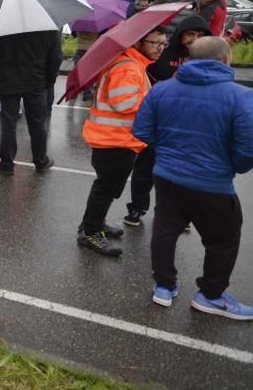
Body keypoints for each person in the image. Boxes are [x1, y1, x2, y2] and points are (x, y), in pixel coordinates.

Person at [132, 37, 253, 319]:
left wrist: (167, 153)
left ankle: (163, 286)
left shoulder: (162, 89)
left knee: (165, 230)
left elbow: (141, 130)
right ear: (225, 59)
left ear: (189, 59)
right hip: (212, 182)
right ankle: (211, 295)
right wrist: (230, 166)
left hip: (167, 176)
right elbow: (248, 148)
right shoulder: (241, 96)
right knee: (223, 239)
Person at [76, 27, 166, 256]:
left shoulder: (132, 63)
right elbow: (124, 103)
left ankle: (94, 222)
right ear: (139, 41)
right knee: (106, 188)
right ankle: (90, 233)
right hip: (114, 140)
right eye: (155, 43)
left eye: (163, 44)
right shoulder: (128, 67)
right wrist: (153, 100)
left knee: (106, 187)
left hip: (116, 139)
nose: (160, 48)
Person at [122, 16, 213, 227]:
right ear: (181, 33)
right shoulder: (162, 52)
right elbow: (142, 75)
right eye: (190, 34)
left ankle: (175, 213)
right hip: (158, 121)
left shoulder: (206, 58)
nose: (195, 39)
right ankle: (137, 207)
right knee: (145, 170)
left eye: (200, 35)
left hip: (188, 123)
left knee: (180, 173)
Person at [0, 30, 61, 175]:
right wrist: (49, 82)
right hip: (37, 82)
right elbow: (56, 58)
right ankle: (41, 160)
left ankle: (6, 163)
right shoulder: (50, 29)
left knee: (9, 123)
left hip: (9, 81)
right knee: (38, 123)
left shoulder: (5, 28)